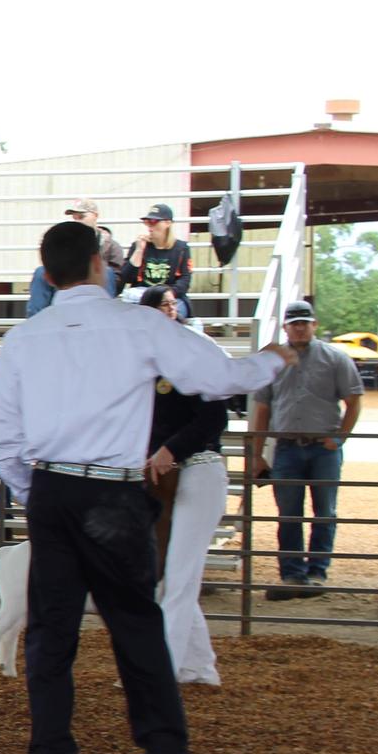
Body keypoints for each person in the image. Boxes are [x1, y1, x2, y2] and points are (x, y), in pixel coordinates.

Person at [0, 220, 294, 754]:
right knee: (135, 623)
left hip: (52, 488)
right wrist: (272, 359)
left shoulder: (25, 338)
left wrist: (39, 496)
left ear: (47, 274)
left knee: (50, 635)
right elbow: (217, 376)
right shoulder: (138, 324)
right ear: (101, 266)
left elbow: (2, 434)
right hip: (113, 492)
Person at [140, 287, 233, 686]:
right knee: (173, 573)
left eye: (171, 306)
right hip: (163, 478)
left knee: (178, 574)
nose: (169, 312)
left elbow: (214, 419)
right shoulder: (143, 365)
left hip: (200, 468)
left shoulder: (194, 354)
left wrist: (169, 449)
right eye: (161, 306)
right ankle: (199, 666)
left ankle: (162, 669)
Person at [245, 299, 364, 599]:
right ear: (285, 327)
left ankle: (317, 572)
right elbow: (262, 408)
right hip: (286, 446)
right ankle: (293, 575)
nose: (299, 328)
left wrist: (340, 438)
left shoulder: (335, 358)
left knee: (324, 511)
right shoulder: (273, 362)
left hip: (323, 446)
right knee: (288, 513)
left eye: (304, 322)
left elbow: (354, 399)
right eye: (294, 323)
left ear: (314, 325)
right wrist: (257, 453)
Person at [122, 204, 192, 317]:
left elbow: (185, 281)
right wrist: (139, 251)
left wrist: (164, 295)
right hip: (142, 298)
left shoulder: (181, 248)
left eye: (154, 222)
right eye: (147, 222)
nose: (150, 226)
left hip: (170, 298)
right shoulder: (138, 246)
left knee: (174, 313)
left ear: (168, 223)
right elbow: (126, 278)